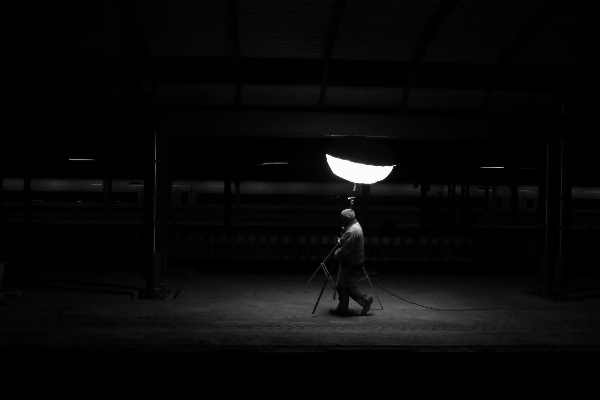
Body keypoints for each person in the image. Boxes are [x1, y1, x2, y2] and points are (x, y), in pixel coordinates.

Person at [330, 209, 373, 316]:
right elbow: (349, 242)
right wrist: (342, 240)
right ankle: (342, 307)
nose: (340, 219)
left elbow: (345, 251)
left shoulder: (352, 231)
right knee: (342, 285)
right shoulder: (355, 226)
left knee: (347, 286)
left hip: (352, 261)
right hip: (353, 260)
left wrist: (336, 253)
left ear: (347, 219)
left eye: (342, 218)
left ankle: (366, 300)